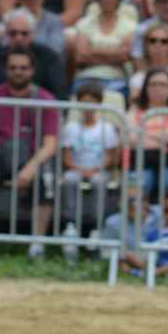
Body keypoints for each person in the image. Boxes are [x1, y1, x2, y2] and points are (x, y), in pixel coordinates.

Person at [0, 47, 60, 259]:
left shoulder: (46, 99)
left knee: (47, 178)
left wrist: (30, 168)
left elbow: (50, 144)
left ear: (32, 71)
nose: (18, 72)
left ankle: (37, 245)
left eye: (23, 68)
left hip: (34, 157)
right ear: (6, 70)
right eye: (13, 68)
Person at [59, 80, 121, 232]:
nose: (88, 107)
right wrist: (80, 170)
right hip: (76, 170)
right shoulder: (70, 128)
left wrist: (95, 169)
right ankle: (70, 223)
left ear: (99, 103)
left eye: (92, 102)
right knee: (69, 179)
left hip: (99, 171)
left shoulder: (107, 128)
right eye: (84, 102)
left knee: (98, 181)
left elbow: (110, 157)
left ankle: (97, 225)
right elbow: (66, 158)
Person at [127, 66, 168, 196]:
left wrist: (144, 134)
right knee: (136, 185)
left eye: (163, 85)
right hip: (140, 163)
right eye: (153, 84)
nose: (158, 88)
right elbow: (130, 138)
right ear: (145, 88)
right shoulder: (135, 111)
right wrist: (165, 139)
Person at [0, 7, 69, 100]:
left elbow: (59, 94)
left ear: (33, 33)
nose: (18, 38)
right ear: (5, 34)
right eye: (13, 33)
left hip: (39, 112)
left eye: (24, 33)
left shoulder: (49, 57)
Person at [70, 0, 138, 94]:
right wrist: (114, 55)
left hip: (117, 79)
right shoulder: (84, 23)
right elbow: (81, 56)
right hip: (86, 77)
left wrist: (92, 51)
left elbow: (124, 56)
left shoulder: (130, 26)